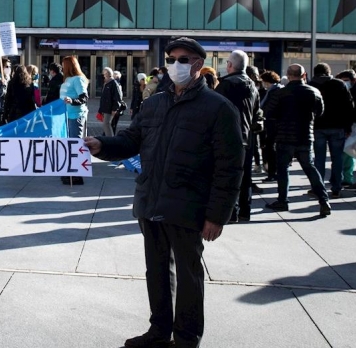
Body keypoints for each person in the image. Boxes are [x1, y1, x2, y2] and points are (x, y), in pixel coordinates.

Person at [83, 37, 243, 348]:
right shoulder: (154, 103)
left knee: (189, 277)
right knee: (156, 272)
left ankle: (186, 339)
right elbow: (132, 140)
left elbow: (230, 166)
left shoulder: (218, 108)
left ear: (197, 64)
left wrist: (217, 215)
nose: (174, 64)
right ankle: (159, 332)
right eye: (170, 58)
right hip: (150, 200)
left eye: (182, 59)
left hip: (188, 205)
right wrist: (102, 146)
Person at [263, 64, 331, 217]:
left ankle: (282, 200)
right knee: (310, 168)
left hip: (285, 136)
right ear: (304, 75)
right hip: (305, 136)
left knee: (283, 170)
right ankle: (323, 200)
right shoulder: (314, 92)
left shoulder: (281, 93)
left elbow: (269, 112)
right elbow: (320, 112)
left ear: (288, 74)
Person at [215, 50, 259, 223]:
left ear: (230, 65)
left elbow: (215, 110)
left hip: (227, 137)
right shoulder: (253, 86)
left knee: (228, 177)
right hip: (247, 137)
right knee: (245, 176)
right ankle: (245, 211)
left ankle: (232, 212)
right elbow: (256, 113)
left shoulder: (225, 85)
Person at [308, 63, 354, 199]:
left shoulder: (311, 85)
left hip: (317, 127)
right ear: (329, 72)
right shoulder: (339, 85)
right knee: (337, 158)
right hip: (337, 126)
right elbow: (349, 106)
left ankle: (318, 187)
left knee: (319, 159)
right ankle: (336, 186)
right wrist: (348, 126)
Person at [60, 56, 89, 185]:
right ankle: (71, 172)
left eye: (63, 65)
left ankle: (76, 175)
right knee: (70, 145)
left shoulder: (77, 80)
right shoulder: (67, 80)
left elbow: (84, 97)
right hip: (67, 116)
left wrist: (72, 101)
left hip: (76, 116)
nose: (61, 67)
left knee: (75, 145)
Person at [259, 70, 283, 183]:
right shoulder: (276, 90)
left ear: (267, 81)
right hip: (274, 123)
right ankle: (273, 172)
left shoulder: (274, 91)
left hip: (273, 124)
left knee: (271, 148)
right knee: (271, 148)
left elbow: (268, 107)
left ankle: (273, 172)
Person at [335, 70, 356, 186]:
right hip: (349, 127)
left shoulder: (351, 92)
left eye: (346, 81)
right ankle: (347, 178)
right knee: (348, 152)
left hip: (351, 126)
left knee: (348, 152)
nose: (345, 83)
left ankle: (347, 177)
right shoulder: (345, 91)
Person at [99, 67, 123, 137]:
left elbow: (117, 97)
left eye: (104, 73)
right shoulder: (106, 83)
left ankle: (110, 139)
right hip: (105, 108)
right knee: (106, 124)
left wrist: (115, 108)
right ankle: (109, 138)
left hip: (110, 108)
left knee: (106, 124)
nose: (103, 75)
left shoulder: (113, 83)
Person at [110, 70, 127, 135]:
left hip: (114, 107)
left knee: (111, 124)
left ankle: (110, 137)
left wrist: (114, 108)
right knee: (112, 124)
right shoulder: (118, 84)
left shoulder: (115, 84)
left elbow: (117, 97)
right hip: (116, 107)